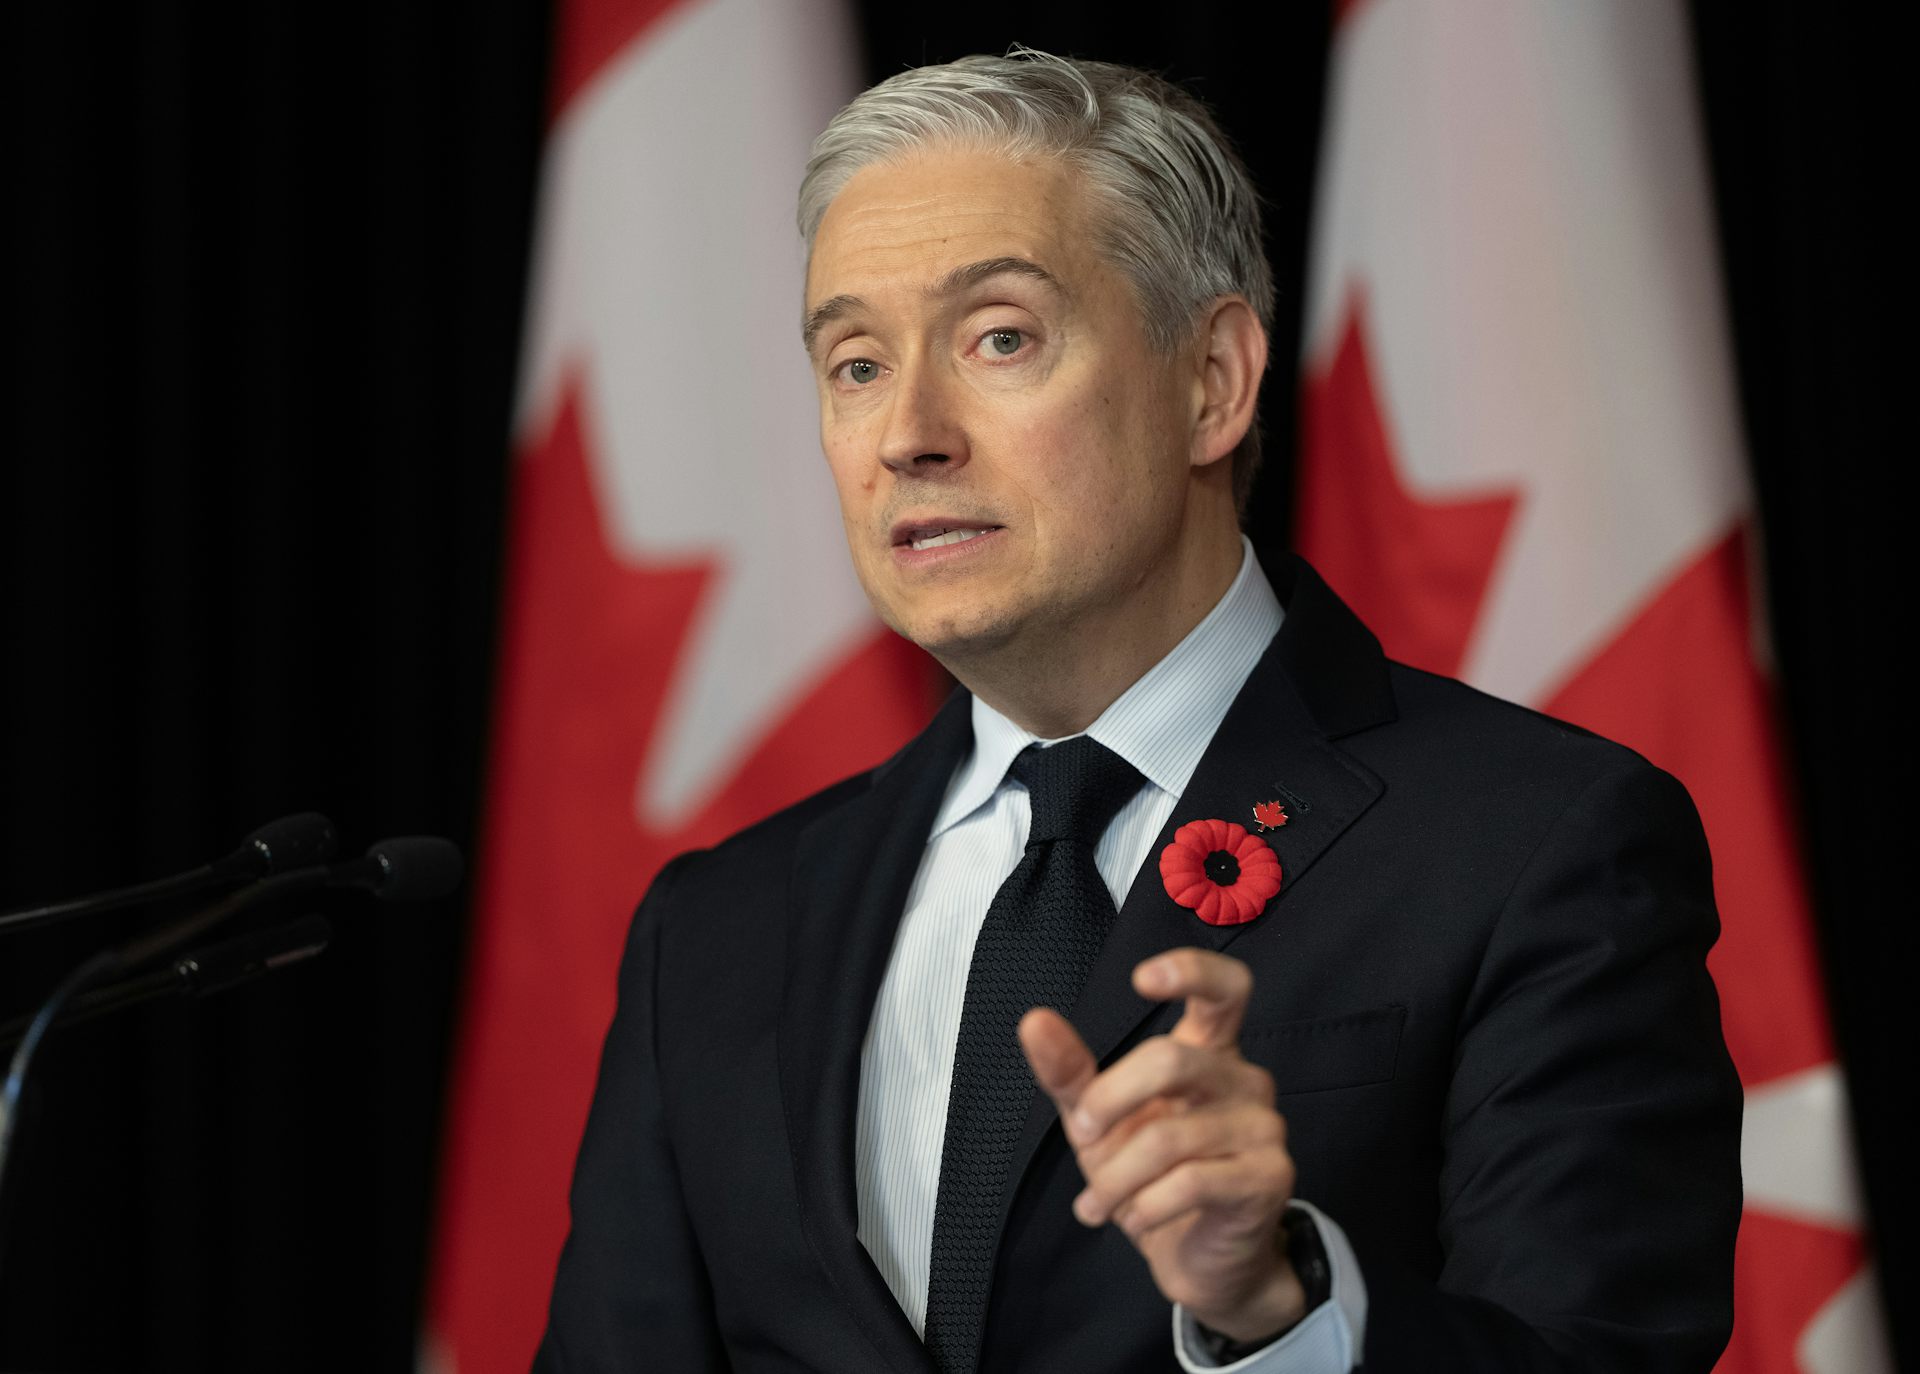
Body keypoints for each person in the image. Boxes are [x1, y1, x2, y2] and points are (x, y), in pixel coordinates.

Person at [535, 50, 1741, 1374]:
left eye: (1000, 336)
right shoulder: (715, 930)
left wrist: (1281, 1305)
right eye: (857, 363)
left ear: (1212, 380)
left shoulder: (1535, 847)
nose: (908, 435)